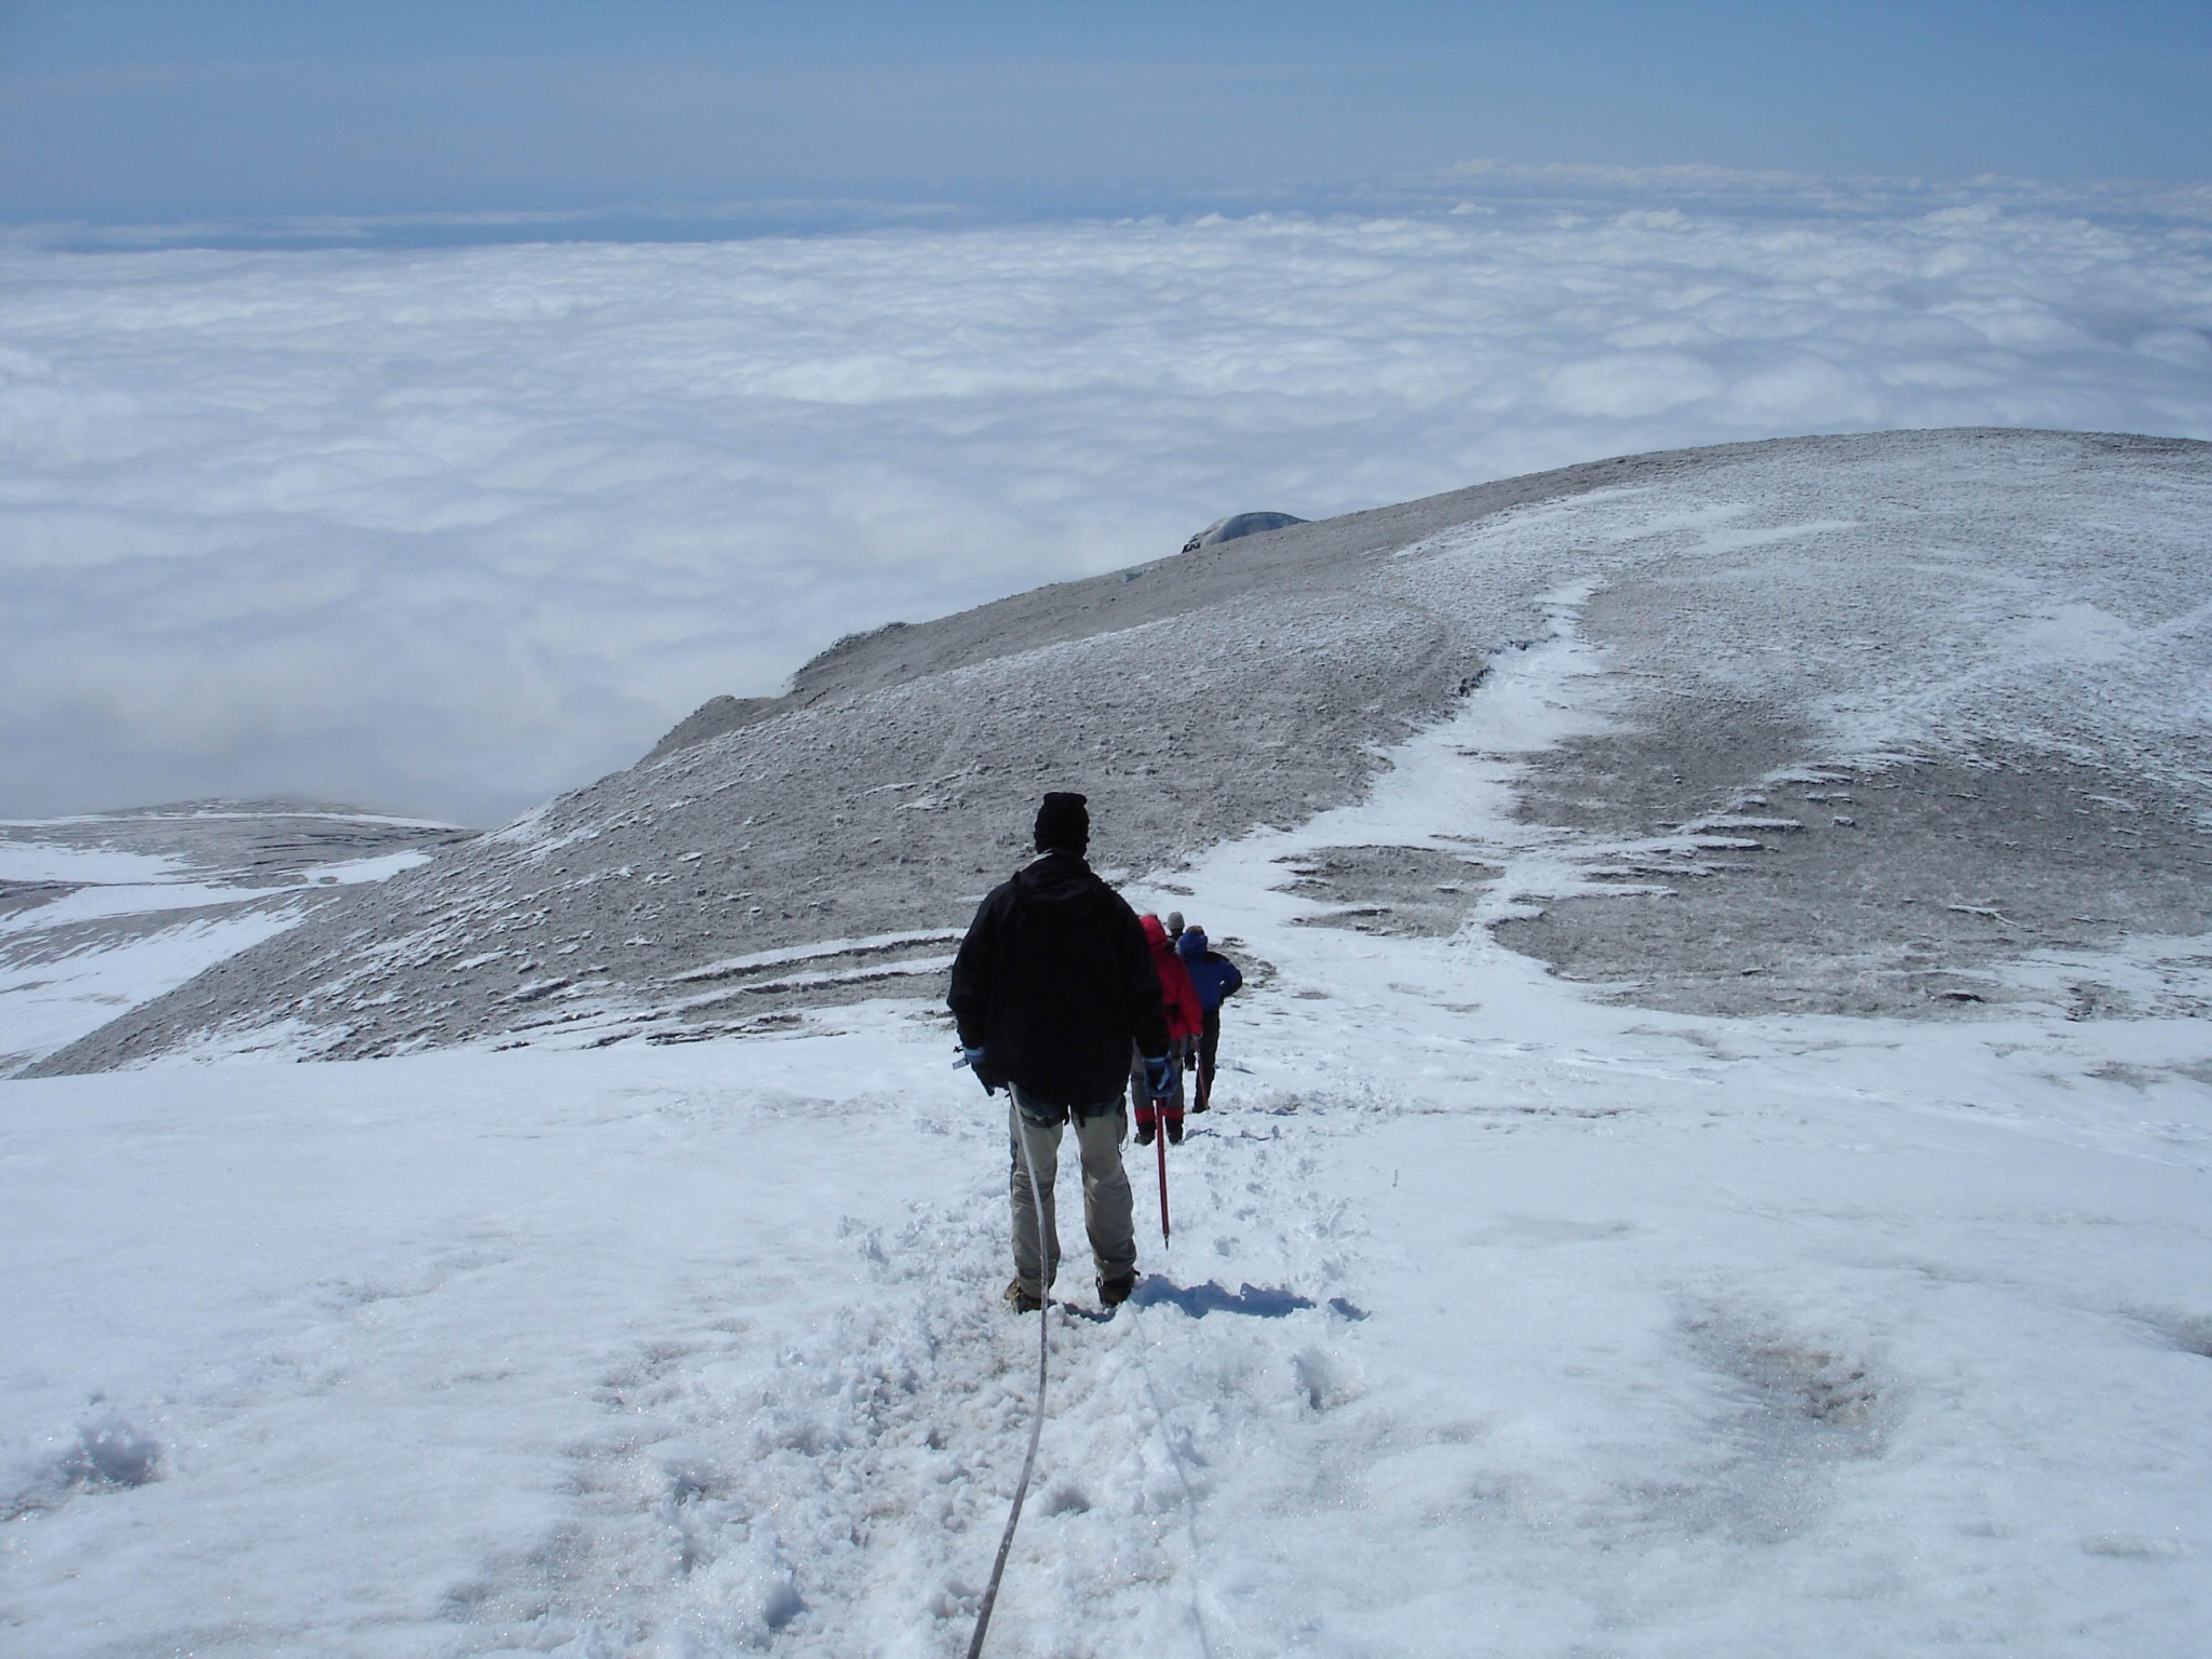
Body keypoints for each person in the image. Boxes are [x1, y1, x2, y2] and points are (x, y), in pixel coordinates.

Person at [949, 792, 1174, 1313]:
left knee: (1032, 1179)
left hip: (1030, 1072)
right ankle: (1117, 1275)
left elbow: (968, 983)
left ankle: (1032, 1287)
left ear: (1038, 840)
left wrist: (980, 1046)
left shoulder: (1005, 903)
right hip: (1099, 1070)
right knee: (1105, 1171)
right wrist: (1157, 1058)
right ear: (1083, 842)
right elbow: (1144, 993)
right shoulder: (1111, 909)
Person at [1130, 913, 1203, 1146]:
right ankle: (1174, 1126)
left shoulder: (1130, 962)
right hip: (1173, 1030)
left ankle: (1146, 1127)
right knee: (1174, 1075)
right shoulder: (1173, 961)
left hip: (1138, 1031)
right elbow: (1188, 998)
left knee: (1139, 1078)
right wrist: (1196, 1028)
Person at [1175, 924, 1244, 1108]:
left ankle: (1175, 1103)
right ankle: (1201, 1102)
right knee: (1206, 1061)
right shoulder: (1216, 961)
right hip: (1209, 1014)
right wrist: (1220, 993)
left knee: (1175, 1059)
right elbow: (1236, 979)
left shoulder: (1178, 960)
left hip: (1181, 1014)